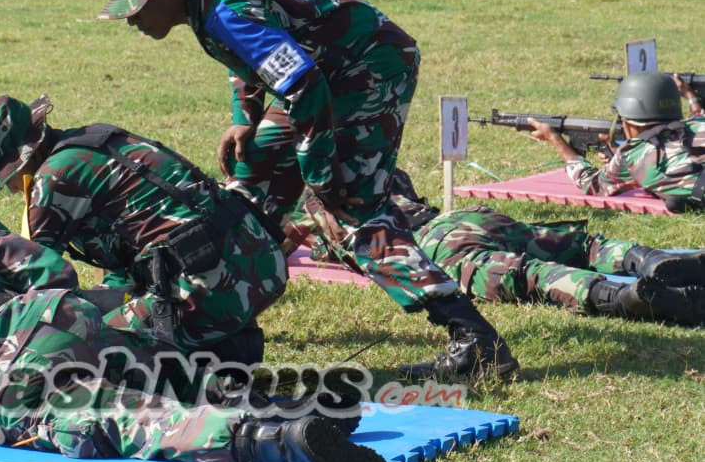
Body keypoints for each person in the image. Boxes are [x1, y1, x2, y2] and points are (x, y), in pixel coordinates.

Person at [0, 137, 389, 462]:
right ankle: (279, 401)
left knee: (118, 420)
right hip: (62, 320)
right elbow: (51, 272)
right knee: (160, 374)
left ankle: (274, 439)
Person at [94, 0, 517, 382]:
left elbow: (302, 81)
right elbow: (261, 54)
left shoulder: (226, 11)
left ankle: (477, 343)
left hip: (367, 70)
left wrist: (320, 179)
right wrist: (246, 113)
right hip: (321, 74)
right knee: (242, 193)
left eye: (137, 6)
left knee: (349, 212)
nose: (132, 20)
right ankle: (214, 320)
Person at [0, 94, 288, 367]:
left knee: (85, 346)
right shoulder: (94, 141)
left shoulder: (54, 179)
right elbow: (127, 251)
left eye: (7, 175)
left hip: (213, 285)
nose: (9, 187)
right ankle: (222, 348)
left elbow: (33, 281)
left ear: (27, 155)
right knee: (113, 311)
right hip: (260, 261)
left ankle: (198, 373)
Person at [286, 170, 705, 326]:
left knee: (528, 275)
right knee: (577, 245)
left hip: (433, 245)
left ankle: (625, 298)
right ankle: (648, 259)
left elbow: (284, 244)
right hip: (463, 217)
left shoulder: (316, 202)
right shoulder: (379, 167)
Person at [528, 72, 705, 212]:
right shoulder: (699, 122)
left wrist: (555, 139)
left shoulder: (631, 155)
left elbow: (592, 184)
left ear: (628, 121)